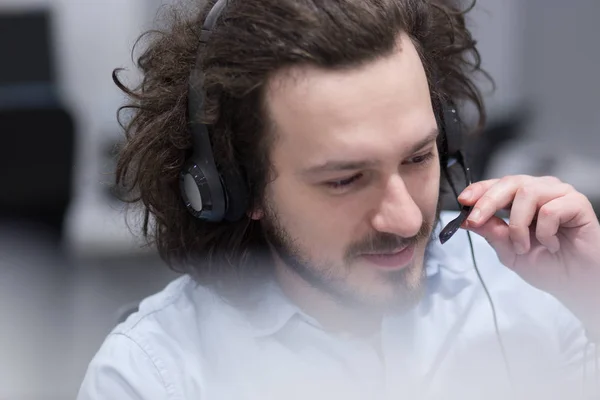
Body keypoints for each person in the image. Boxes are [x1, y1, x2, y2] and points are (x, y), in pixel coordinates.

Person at [77, 0, 600, 399]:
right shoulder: (153, 377)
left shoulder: (526, 289)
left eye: (418, 158)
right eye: (346, 180)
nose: (404, 217)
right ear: (238, 183)